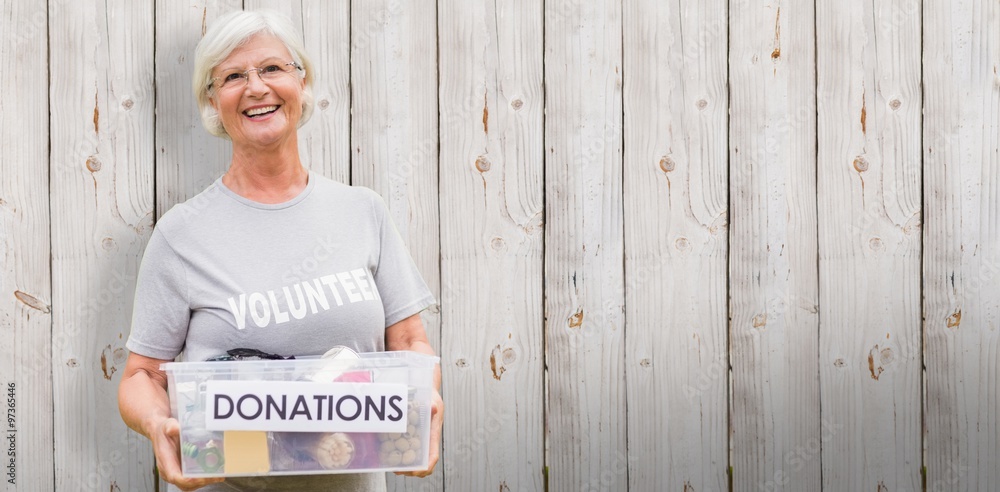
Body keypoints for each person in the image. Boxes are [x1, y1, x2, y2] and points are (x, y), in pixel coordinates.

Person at [117, 10, 442, 491]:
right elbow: (141, 376)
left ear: (301, 81)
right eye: (232, 76)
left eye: (272, 68)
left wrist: (427, 403)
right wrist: (159, 425)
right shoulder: (180, 235)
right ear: (213, 100)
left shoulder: (362, 211)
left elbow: (411, 344)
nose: (256, 87)